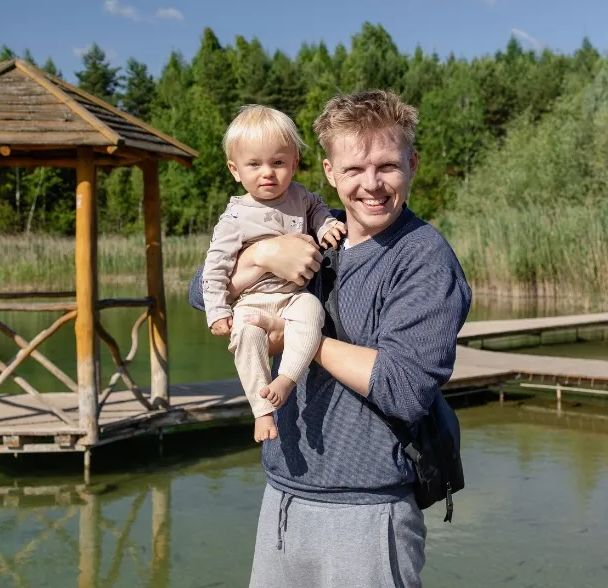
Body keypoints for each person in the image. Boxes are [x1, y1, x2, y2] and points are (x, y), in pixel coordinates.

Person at [189, 89, 471, 587]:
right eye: (354, 170)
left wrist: (300, 338)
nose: (372, 185)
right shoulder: (315, 231)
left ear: (412, 163)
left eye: (387, 166)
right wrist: (261, 258)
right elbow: (200, 294)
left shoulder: (423, 259)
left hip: (369, 509)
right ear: (327, 171)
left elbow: (403, 389)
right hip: (283, 494)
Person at [201, 105, 347, 442]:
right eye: (254, 164)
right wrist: (218, 310)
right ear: (235, 170)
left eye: (278, 163)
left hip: (292, 296)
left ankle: (287, 377)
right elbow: (214, 268)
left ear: (294, 164)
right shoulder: (234, 218)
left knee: (313, 313)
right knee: (247, 335)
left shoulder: (300, 197)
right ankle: (261, 410)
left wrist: (326, 225)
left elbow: (318, 209)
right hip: (253, 300)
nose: (268, 173)